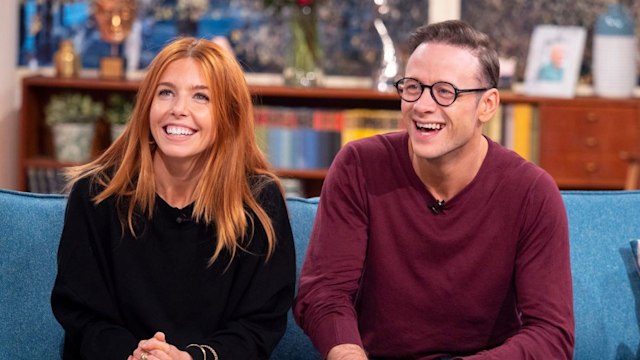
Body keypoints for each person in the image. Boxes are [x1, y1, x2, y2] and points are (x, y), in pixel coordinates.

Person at [294, 20, 574, 359]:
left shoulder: (532, 192)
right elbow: (324, 292)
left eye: (445, 91)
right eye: (413, 87)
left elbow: (551, 335)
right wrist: (347, 352)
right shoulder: (359, 166)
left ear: (487, 105)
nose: (422, 106)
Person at [51, 37, 296, 360]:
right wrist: (134, 354)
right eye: (165, 92)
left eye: (201, 97)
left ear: (229, 114)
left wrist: (190, 358)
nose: (178, 109)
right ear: (147, 105)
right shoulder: (95, 193)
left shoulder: (259, 202)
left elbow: (259, 325)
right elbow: (80, 311)